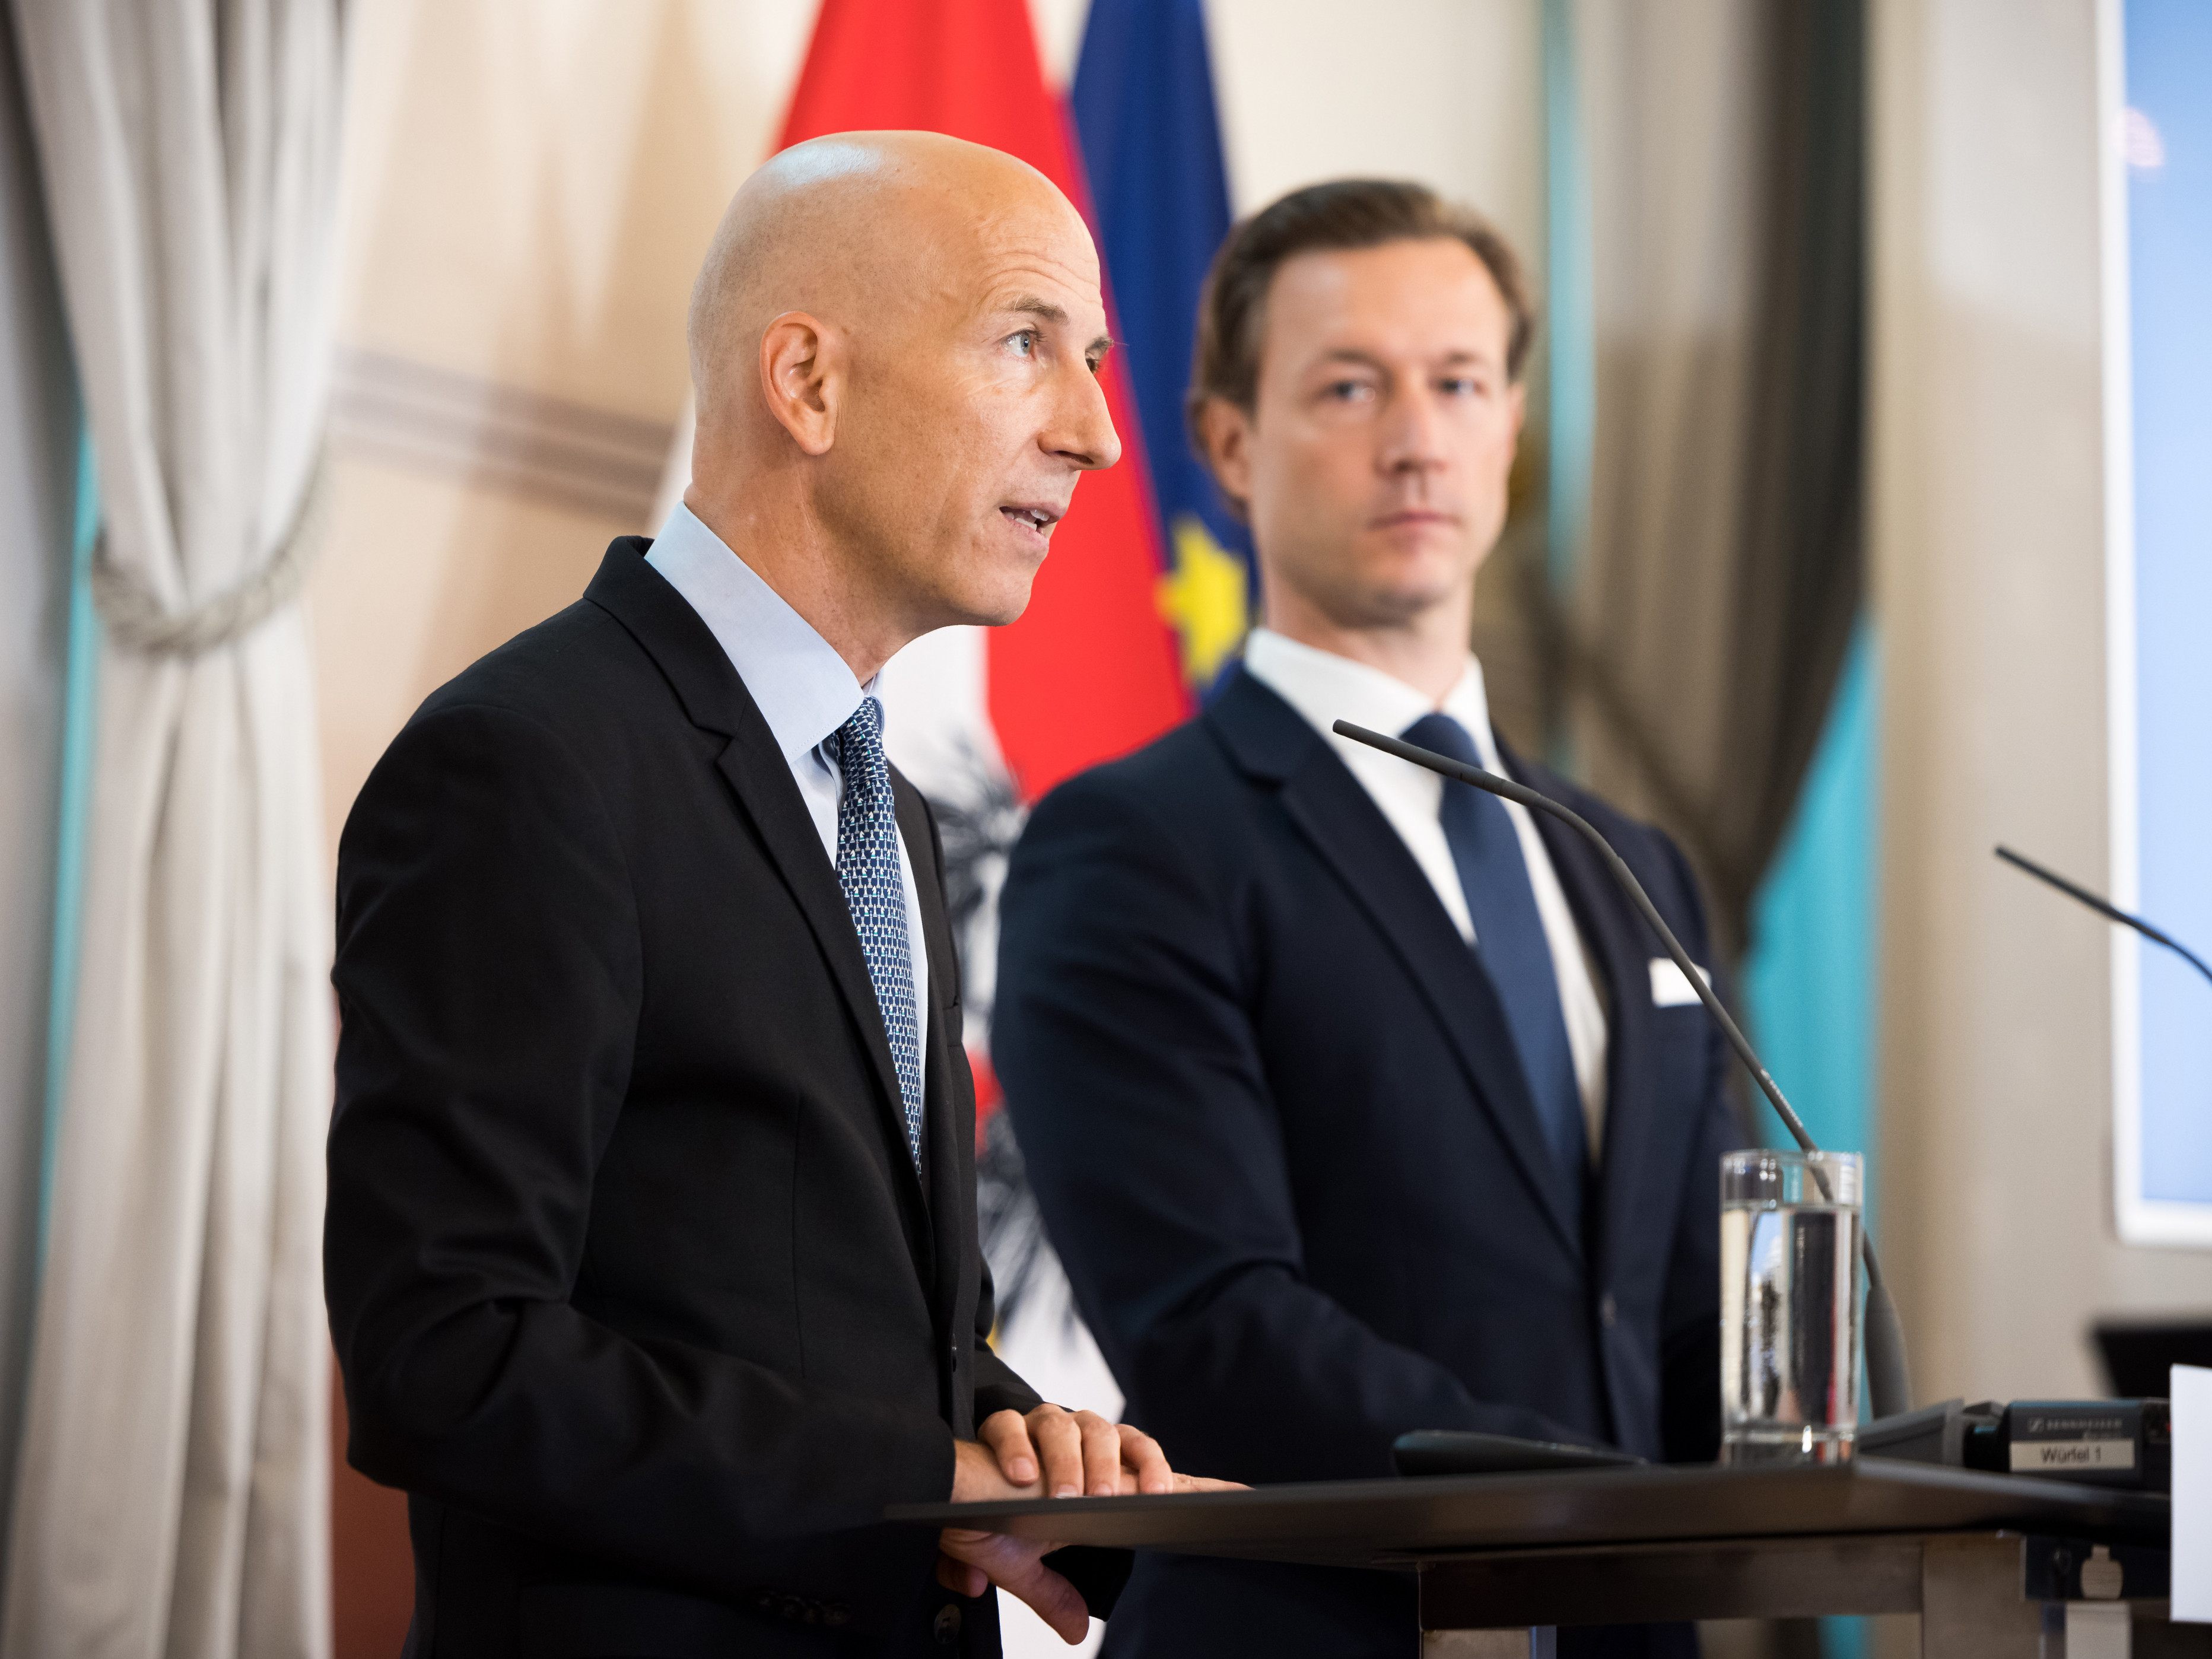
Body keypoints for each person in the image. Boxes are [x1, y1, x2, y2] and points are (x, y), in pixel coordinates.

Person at [325, 131, 1227, 1659]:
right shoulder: (528, 762)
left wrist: (1027, 1443)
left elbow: (814, 1310)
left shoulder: (892, 810)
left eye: (1094, 361)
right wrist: (908, 1484)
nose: (1097, 435)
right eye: (1026, 345)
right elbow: (447, 1351)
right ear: (804, 382)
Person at [993, 179, 1736, 1658]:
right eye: (1349, 386)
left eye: (1459, 383)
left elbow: (1697, 1291)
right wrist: (1585, 1496)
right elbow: (1209, 1323)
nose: (1416, 438)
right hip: (1319, 1629)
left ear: (1511, 429)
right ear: (1228, 446)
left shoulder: (1628, 862)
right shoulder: (1132, 845)